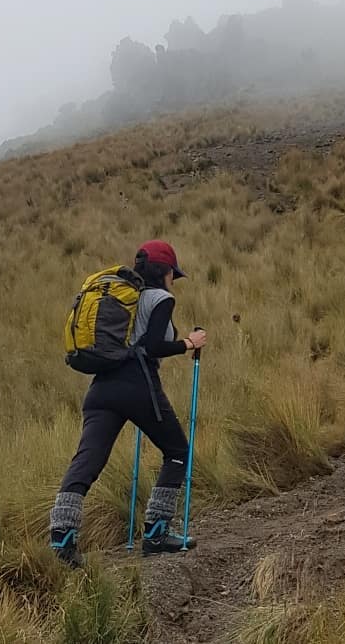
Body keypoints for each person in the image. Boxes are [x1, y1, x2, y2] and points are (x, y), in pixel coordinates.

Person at [49, 240, 208, 567]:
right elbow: (151, 347)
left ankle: (62, 537)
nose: (173, 281)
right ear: (164, 272)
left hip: (101, 389)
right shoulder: (162, 298)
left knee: (87, 461)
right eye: (172, 274)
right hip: (137, 385)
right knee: (178, 452)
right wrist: (188, 343)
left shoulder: (125, 299)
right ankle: (157, 533)